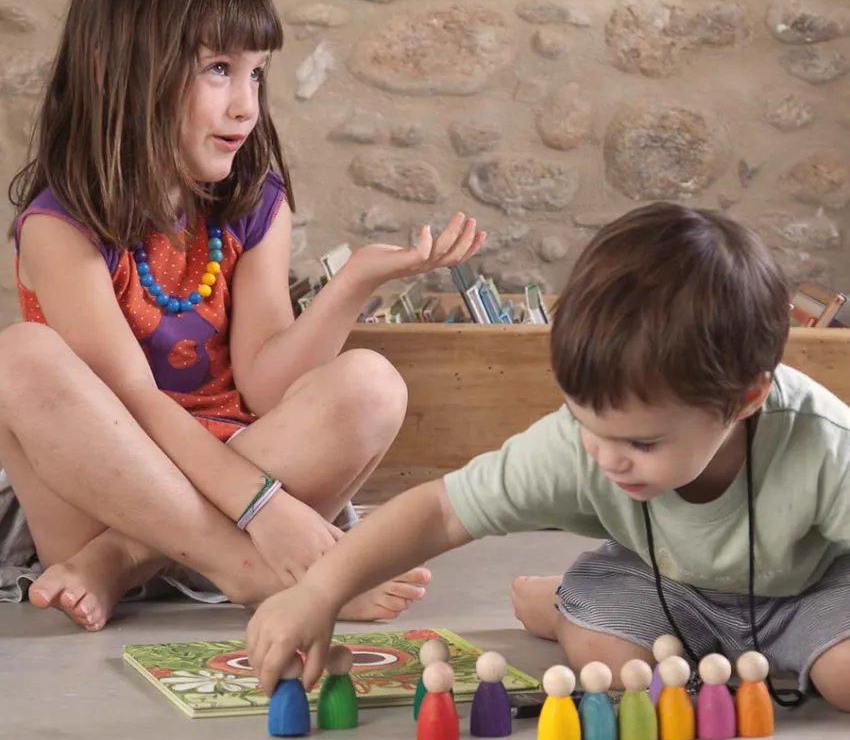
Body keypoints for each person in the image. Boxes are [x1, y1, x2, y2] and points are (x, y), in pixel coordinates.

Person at [0, 0, 485, 631]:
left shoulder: (255, 204)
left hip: (240, 468)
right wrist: (263, 510)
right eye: (220, 70)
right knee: (18, 356)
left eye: (256, 74)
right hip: (108, 498)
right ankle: (250, 572)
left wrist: (354, 283)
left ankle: (120, 563)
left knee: (373, 383)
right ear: (123, 70)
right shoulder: (58, 227)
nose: (246, 106)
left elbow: (264, 386)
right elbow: (135, 407)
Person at [245, 203, 850, 713]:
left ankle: (566, 599)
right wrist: (319, 591)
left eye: (643, 444)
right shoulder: (577, 443)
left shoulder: (824, 443)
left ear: (746, 399)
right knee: (612, 674)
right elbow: (440, 512)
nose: (608, 460)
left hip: (808, 587)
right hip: (661, 581)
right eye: (589, 425)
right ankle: (563, 606)